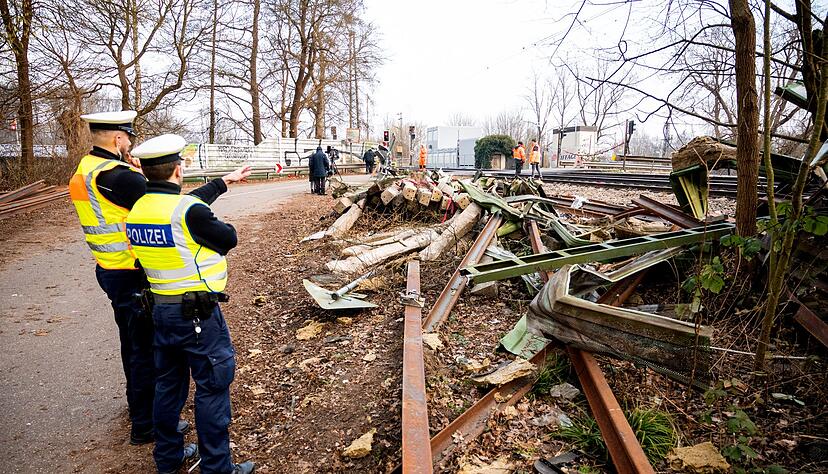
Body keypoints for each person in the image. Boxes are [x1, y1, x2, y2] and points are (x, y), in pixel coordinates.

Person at [125, 134, 255, 474]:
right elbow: (228, 238)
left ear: (145, 170)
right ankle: (217, 467)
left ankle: (168, 460)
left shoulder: (138, 208)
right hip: (197, 314)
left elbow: (181, 205)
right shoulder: (189, 212)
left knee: (168, 385)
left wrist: (224, 182)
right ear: (179, 170)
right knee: (212, 386)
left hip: (159, 311)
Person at [68, 110, 191, 446]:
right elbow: (167, 209)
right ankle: (147, 423)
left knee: (131, 342)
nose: (131, 144)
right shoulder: (120, 176)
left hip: (108, 268)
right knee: (145, 348)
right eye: (129, 138)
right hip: (133, 272)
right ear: (118, 138)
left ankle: (138, 406)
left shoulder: (86, 169)